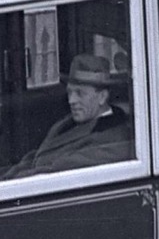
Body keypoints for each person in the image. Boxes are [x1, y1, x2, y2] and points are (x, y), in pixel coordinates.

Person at [4, 54, 132, 179]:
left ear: (102, 97)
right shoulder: (69, 123)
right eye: (69, 92)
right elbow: (36, 156)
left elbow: (57, 171)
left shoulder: (114, 137)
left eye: (79, 93)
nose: (71, 100)